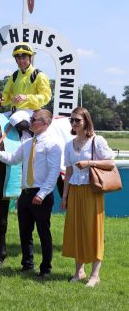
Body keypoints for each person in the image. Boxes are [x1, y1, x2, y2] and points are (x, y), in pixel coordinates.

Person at [0, 109, 61, 278]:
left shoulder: (52, 144)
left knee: (43, 232)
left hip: (41, 194)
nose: (30, 121)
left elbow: (54, 172)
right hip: (25, 194)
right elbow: (12, 159)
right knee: (24, 233)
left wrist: (43, 193)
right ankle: (27, 265)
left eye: (34, 119)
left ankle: (46, 268)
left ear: (45, 123)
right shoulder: (27, 144)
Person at [60, 107, 115, 287]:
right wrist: (64, 196)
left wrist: (89, 163)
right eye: (72, 120)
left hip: (92, 190)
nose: (74, 124)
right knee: (76, 230)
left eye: (78, 120)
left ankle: (95, 274)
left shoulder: (96, 140)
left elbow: (110, 162)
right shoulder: (69, 144)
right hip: (75, 190)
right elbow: (68, 172)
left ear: (86, 121)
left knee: (93, 230)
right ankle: (79, 271)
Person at [0, 43, 51, 138]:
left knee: (15, 118)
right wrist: (3, 99)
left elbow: (46, 97)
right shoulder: (14, 76)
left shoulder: (39, 75)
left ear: (30, 58)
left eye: (24, 58)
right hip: (16, 111)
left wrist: (27, 97)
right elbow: (6, 94)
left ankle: (35, 136)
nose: (21, 61)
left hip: (32, 112)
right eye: (18, 58)